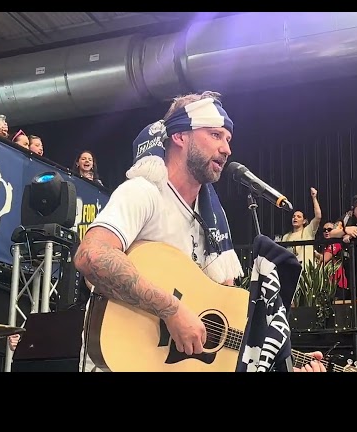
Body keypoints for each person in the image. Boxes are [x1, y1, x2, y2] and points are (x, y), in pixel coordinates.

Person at [73, 91, 325, 372]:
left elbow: (223, 322)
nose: (227, 149)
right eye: (215, 135)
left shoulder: (212, 219)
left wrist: (286, 359)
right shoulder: (143, 192)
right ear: (180, 136)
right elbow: (91, 255)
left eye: (228, 139)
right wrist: (171, 309)